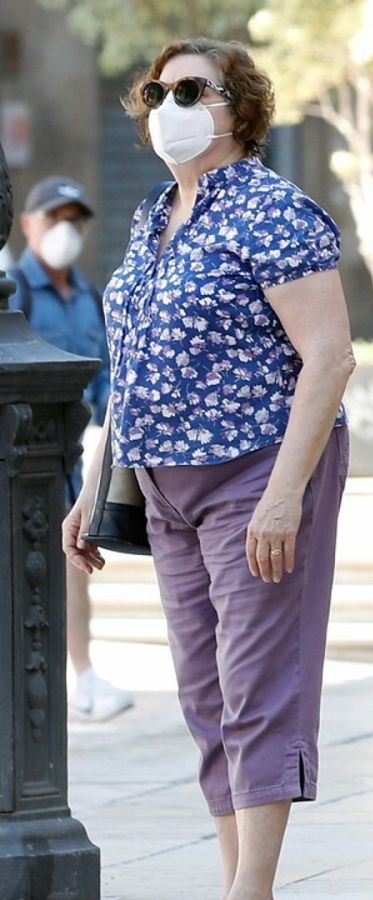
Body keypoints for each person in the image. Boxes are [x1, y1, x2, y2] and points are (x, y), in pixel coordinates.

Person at [62, 39, 354, 900]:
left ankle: (249, 890)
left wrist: (281, 499)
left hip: (256, 472)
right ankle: (237, 880)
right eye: (159, 89)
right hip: (161, 481)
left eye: (193, 90)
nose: (171, 106)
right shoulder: (154, 213)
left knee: (259, 685)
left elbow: (330, 358)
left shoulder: (274, 211)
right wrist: (93, 484)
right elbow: (136, 361)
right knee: (204, 692)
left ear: (241, 107)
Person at [9, 175, 134, 721]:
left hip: (75, 456)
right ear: (28, 223)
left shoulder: (88, 296)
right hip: (21, 454)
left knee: (71, 562)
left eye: (74, 220)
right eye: (54, 218)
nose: (66, 230)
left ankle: (82, 676)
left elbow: (108, 371)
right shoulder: (13, 290)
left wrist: (105, 426)